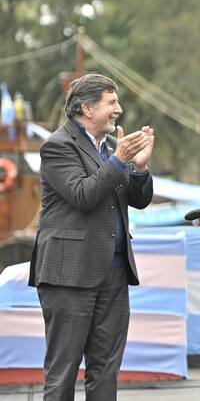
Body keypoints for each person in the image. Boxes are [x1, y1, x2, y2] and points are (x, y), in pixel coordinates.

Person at [28, 73, 155, 400]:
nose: (119, 109)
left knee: (106, 371)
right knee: (63, 372)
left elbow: (138, 200)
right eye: (112, 102)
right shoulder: (57, 146)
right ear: (87, 108)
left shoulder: (115, 148)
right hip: (68, 276)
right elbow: (83, 195)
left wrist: (139, 168)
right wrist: (120, 160)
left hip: (113, 274)